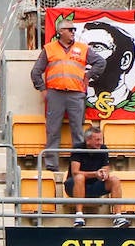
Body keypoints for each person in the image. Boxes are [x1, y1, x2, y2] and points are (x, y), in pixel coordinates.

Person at [30, 16, 107, 172]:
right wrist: (42, 89)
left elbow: (101, 62)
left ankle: (77, 168)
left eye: (74, 30)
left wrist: (89, 75)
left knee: (78, 133)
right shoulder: (49, 49)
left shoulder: (83, 48)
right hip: (55, 94)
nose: (73, 32)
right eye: (70, 29)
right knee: (53, 131)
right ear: (60, 31)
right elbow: (36, 72)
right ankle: (52, 167)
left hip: (76, 94)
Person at [66, 126, 130, 227]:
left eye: (101, 139)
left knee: (115, 180)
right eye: (97, 140)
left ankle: (118, 217)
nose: (100, 142)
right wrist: (95, 174)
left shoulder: (103, 149)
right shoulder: (78, 148)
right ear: (88, 140)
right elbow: (75, 172)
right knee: (79, 177)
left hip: (95, 185)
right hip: (74, 185)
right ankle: (79, 216)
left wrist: (103, 174)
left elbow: (106, 168)